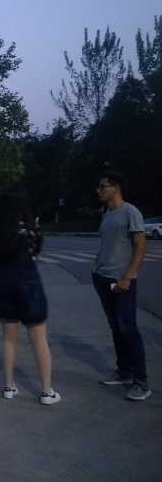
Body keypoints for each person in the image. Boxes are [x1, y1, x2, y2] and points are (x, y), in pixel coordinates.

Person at [0, 190, 61, 405]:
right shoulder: (31, 228)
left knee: (9, 338)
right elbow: (36, 253)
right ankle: (46, 392)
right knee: (39, 339)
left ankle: (9, 387)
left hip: (4, 281)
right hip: (29, 281)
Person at [92, 171, 151, 401]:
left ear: (115, 187)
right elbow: (106, 244)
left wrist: (127, 277)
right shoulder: (107, 213)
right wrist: (96, 265)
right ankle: (124, 372)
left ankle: (141, 383)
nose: (99, 190)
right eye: (98, 186)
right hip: (102, 278)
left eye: (102, 186)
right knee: (116, 327)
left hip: (122, 280)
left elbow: (140, 247)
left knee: (128, 329)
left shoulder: (130, 211)